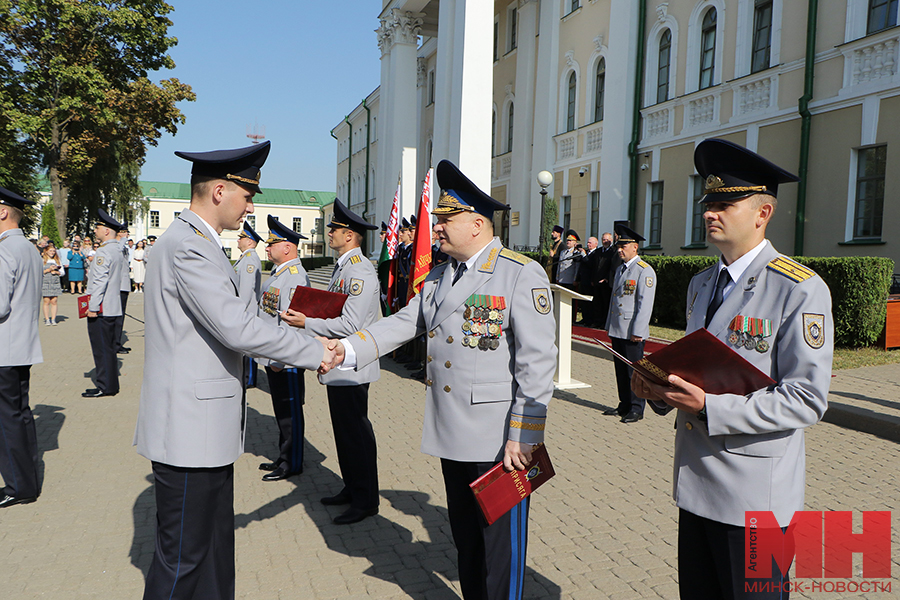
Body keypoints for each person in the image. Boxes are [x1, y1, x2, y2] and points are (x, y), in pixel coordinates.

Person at [328, 160, 556, 600]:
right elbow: (401, 323)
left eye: (445, 220)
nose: (436, 229)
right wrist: (347, 350)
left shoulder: (518, 273)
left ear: (476, 223)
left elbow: (538, 362)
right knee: (467, 541)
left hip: (500, 441)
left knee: (500, 548)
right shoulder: (440, 275)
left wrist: (525, 434)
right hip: (453, 432)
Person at [632, 139, 833, 600]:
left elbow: (806, 398)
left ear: (763, 213)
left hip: (754, 500)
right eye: (708, 203)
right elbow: (700, 369)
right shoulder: (703, 283)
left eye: (724, 203)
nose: (709, 213)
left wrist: (710, 407)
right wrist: (660, 389)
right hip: (698, 485)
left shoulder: (799, 289)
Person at [134, 141, 334, 600]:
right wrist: (314, 349)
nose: (251, 205)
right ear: (220, 191)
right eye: (248, 194)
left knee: (214, 553)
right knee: (183, 560)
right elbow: (237, 327)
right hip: (189, 432)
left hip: (203, 429)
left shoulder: (198, 242)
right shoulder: (189, 246)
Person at [282, 199, 381, 525]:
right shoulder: (343, 267)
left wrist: (306, 324)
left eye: (335, 229)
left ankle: (366, 499)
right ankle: (352, 488)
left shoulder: (360, 271)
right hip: (339, 362)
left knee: (356, 432)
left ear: (350, 236)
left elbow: (351, 325)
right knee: (344, 432)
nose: (330, 233)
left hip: (353, 363)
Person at [256, 214, 311, 482]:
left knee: (291, 412)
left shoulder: (294, 276)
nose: (266, 248)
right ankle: (284, 455)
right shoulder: (280, 273)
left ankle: (293, 462)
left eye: (271, 244)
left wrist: (280, 357)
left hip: (285, 359)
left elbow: (291, 321)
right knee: (282, 410)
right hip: (275, 355)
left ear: (287, 247)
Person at [0, 187, 44, 509]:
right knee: (20, 414)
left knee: (7, 419)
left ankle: (18, 485)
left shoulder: (4, 250)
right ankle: (27, 480)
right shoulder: (28, 248)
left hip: (4, 348)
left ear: (3, 212)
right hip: (21, 345)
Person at [604, 224, 656, 423]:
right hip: (618, 328)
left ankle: (636, 408)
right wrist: (609, 325)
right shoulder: (620, 269)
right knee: (620, 369)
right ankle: (624, 404)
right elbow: (614, 299)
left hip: (632, 331)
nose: (619, 250)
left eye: (623, 247)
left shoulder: (644, 271)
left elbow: (645, 304)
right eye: (618, 246)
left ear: (634, 247)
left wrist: (638, 330)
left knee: (634, 372)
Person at [82, 209, 125, 398]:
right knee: (108, 349)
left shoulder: (103, 252)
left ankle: (104, 386)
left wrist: (92, 308)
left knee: (101, 350)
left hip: (101, 309)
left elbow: (100, 282)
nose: (95, 230)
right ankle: (110, 385)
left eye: (98, 227)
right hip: (112, 307)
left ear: (107, 231)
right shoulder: (117, 250)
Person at [234, 220, 263, 388]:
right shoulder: (245, 258)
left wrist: (239, 312)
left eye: (242, 238)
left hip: (247, 312)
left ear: (250, 242)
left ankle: (249, 378)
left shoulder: (250, 260)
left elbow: (245, 290)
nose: (238, 240)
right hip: (246, 311)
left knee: (248, 348)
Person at [113, 223, 132, 354]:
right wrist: (122, 240)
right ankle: (114, 344)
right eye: (125, 232)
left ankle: (117, 342)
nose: (127, 235)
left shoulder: (123, 247)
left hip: (124, 285)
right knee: (116, 317)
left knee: (121, 317)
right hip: (117, 286)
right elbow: (116, 255)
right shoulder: (115, 245)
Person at [41, 245, 63, 325]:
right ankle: (47, 319)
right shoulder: (42, 260)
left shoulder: (57, 260)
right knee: (46, 301)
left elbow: (62, 272)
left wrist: (56, 272)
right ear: (46, 251)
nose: (52, 253)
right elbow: (39, 272)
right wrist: (48, 270)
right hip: (46, 282)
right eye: (50, 251)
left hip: (55, 282)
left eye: (53, 251)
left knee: (54, 301)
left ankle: (53, 319)